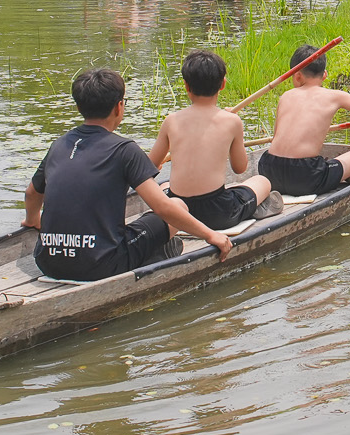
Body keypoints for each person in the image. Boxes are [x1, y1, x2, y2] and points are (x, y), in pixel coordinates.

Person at [25, 67, 228, 280]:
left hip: (47, 262)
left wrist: (32, 220)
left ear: (78, 106)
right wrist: (211, 235)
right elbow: (162, 207)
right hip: (101, 265)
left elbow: (32, 194)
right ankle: (155, 254)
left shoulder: (59, 145)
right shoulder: (125, 150)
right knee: (178, 205)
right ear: (119, 107)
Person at [149, 50, 271, 234]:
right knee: (262, 181)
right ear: (223, 84)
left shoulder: (171, 120)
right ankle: (256, 208)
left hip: (179, 211)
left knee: (164, 185)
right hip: (217, 213)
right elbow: (240, 168)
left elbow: (149, 167)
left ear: (186, 86)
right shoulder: (231, 121)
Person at [257, 44, 350, 196]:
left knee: (318, 163)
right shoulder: (334, 96)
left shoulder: (286, 96)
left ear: (297, 75)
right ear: (325, 75)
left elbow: (276, 138)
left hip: (268, 170)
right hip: (305, 177)